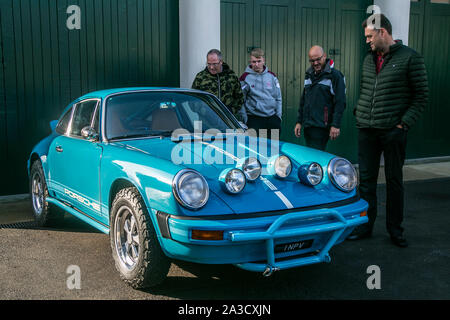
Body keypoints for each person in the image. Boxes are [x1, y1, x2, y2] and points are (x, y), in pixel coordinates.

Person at [347, 14, 428, 247]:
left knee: (393, 181)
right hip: (367, 130)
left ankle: (395, 229)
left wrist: (403, 124)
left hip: (393, 131)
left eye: (370, 36)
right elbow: (366, 90)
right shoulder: (368, 60)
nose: (367, 41)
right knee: (366, 182)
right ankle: (365, 226)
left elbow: (421, 96)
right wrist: (359, 113)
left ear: (383, 33)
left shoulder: (410, 58)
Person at [294, 46, 346, 151]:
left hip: (322, 126)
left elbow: (340, 102)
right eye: (312, 60)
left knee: (317, 158)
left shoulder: (335, 76)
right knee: (311, 156)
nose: (315, 63)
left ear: (325, 56)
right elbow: (303, 100)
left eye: (318, 59)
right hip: (308, 126)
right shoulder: (309, 75)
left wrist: (335, 125)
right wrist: (299, 122)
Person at [239, 48, 282, 139]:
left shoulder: (272, 76)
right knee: (257, 148)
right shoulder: (245, 78)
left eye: (259, 61)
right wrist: (245, 119)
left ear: (264, 61)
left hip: (272, 119)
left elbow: (278, 98)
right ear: (250, 62)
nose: (256, 64)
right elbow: (240, 100)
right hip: (254, 119)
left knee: (273, 148)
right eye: (254, 62)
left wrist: (278, 117)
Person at [192, 49, 244, 117]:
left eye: (214, 64)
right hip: (206, 120)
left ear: (221, 62)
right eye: (209, 64)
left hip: (227, 120)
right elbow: (193, 98)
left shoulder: (231, 76)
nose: (211, 67)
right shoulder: (200, 77)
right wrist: (203, 111)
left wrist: (231, 111)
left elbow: (239, 97)